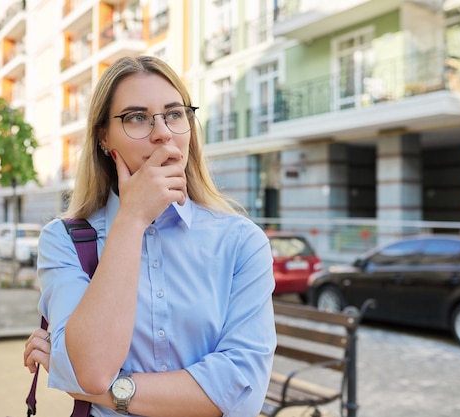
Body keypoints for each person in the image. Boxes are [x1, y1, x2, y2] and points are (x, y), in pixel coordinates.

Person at [23, 55, 276, 417]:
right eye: (137, 118)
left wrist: (103, 390)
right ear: (103, 138)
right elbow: (92, 369)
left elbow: (239, 392)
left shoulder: (240, 242)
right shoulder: (64, 240)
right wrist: (132, 218)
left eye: (175, 114)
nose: (162, 132)